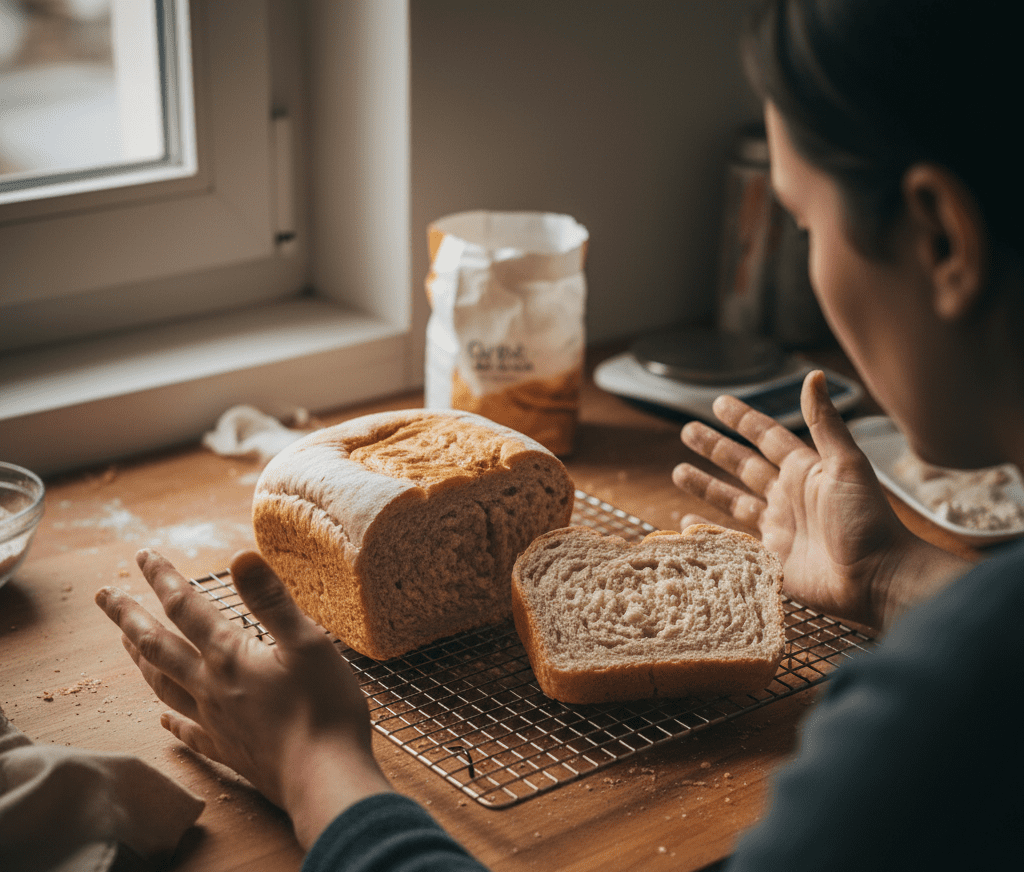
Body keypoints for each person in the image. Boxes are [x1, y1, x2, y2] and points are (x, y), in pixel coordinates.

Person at [94, 0, 1023, 869]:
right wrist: (901, 576)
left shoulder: (958, 699)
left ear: (941, 240)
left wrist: (313, 770)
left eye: (803, 219)